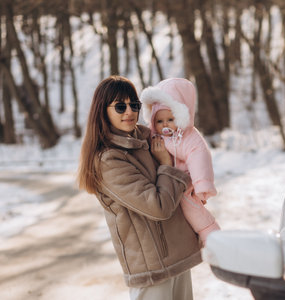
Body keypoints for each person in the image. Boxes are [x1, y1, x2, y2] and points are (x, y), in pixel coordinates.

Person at [77, 75, 201, 300]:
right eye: (120, 106)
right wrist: (165, 164)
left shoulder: (149, 138)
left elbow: (186, 162)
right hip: (153, 267)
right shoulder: (108, 160)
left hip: (178, 255)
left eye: (134, 105)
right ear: (102, 111)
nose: (129, 112)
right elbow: (159, 207)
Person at [140, 78, 220, 246]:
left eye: (170, 119)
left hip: (185, 181)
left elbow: (199, 157)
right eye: (159, 121)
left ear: (181, 117)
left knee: (190, 206)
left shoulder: (187, 137)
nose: (165, 125)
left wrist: (202, 185)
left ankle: (211, 235)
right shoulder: (155, 136)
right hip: (167, 181)